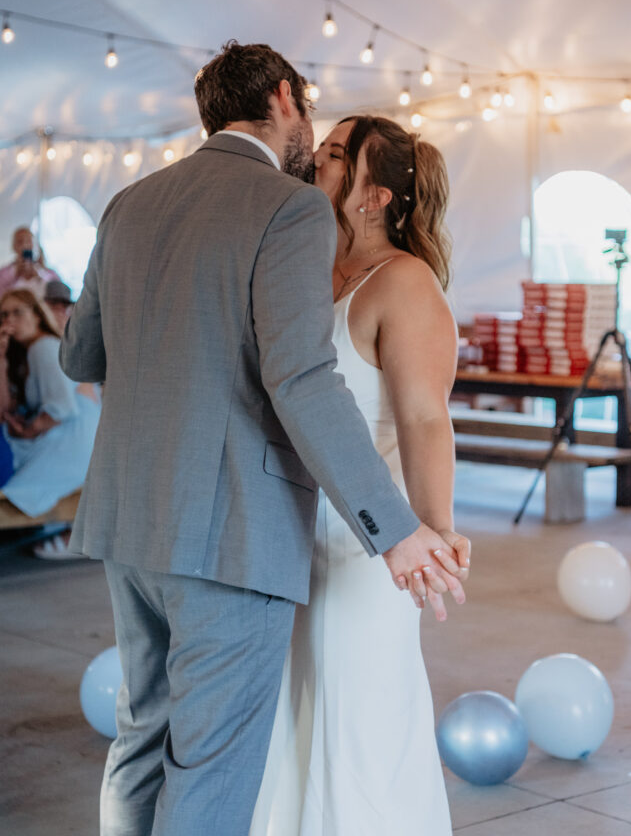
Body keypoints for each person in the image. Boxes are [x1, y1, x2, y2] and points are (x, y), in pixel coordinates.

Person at [59, 42, 469, 836]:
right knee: (210, 766)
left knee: (144, 736)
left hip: (129, 519)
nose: (311, 149)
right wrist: (398, 531)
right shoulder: (287, 211)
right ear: (284, 96)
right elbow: (300, 380)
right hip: (233, 530)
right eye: (311, 127)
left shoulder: (129, 202)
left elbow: (81, 354)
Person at [250, 115, 465, 834]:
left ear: (373, 195)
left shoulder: (402, 285)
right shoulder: (305, 264)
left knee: (355, 726)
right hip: (283, 536)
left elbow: (425, 419)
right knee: (291, 721)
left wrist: (435, 528)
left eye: (337, 155)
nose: (316, 159)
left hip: (361, 551)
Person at [0, 290, 101, 540]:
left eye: (18, 312)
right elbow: (8, 408)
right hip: (67, 433)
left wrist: (28, 431)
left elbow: (62, 408)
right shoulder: (29, 354)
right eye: (4, 314)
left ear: (36, 314)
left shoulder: (43, 347)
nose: (11, 319)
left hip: (74, 439)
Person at [0, 226, 61, 300]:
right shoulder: (4, 274)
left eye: (29, 241)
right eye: (20, 242)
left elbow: (58, 293)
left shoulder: (47, 273)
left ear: (35, 245)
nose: (25, 245)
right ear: (14, 246)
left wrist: (39, 276)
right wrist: (15, 274)